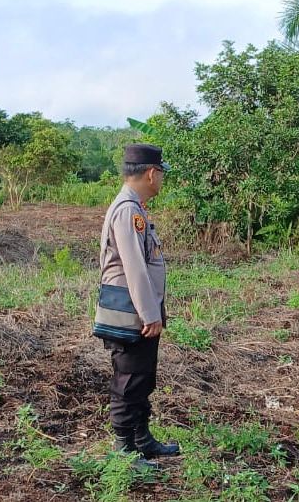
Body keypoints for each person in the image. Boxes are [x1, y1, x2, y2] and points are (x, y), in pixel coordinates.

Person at [94, 143, 179, 463]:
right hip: (131, 314)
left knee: (143, 377)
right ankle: (124, 452)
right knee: (128, 380)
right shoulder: (128, 210)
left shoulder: (135, 206)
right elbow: (134, 266)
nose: (161, 181)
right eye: (160, 175)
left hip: (139, 312)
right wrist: (149, 313)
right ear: (151, 173)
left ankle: (142, 440)